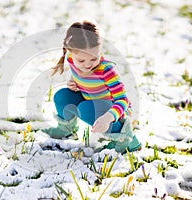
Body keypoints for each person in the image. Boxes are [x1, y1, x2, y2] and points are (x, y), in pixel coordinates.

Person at [43, 20, 141, 153]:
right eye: (81, 61)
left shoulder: (106, 71)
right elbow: (81, 75)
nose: (88, 64)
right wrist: (74, 82)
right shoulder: (71, 58)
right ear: (70, 51)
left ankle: (127, 139)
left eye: (94, 58)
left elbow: (123, 101)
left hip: (114, 111)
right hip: (89, 100)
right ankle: (66, 128)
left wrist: (108, 117)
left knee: (86, 108)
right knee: (62, 96)